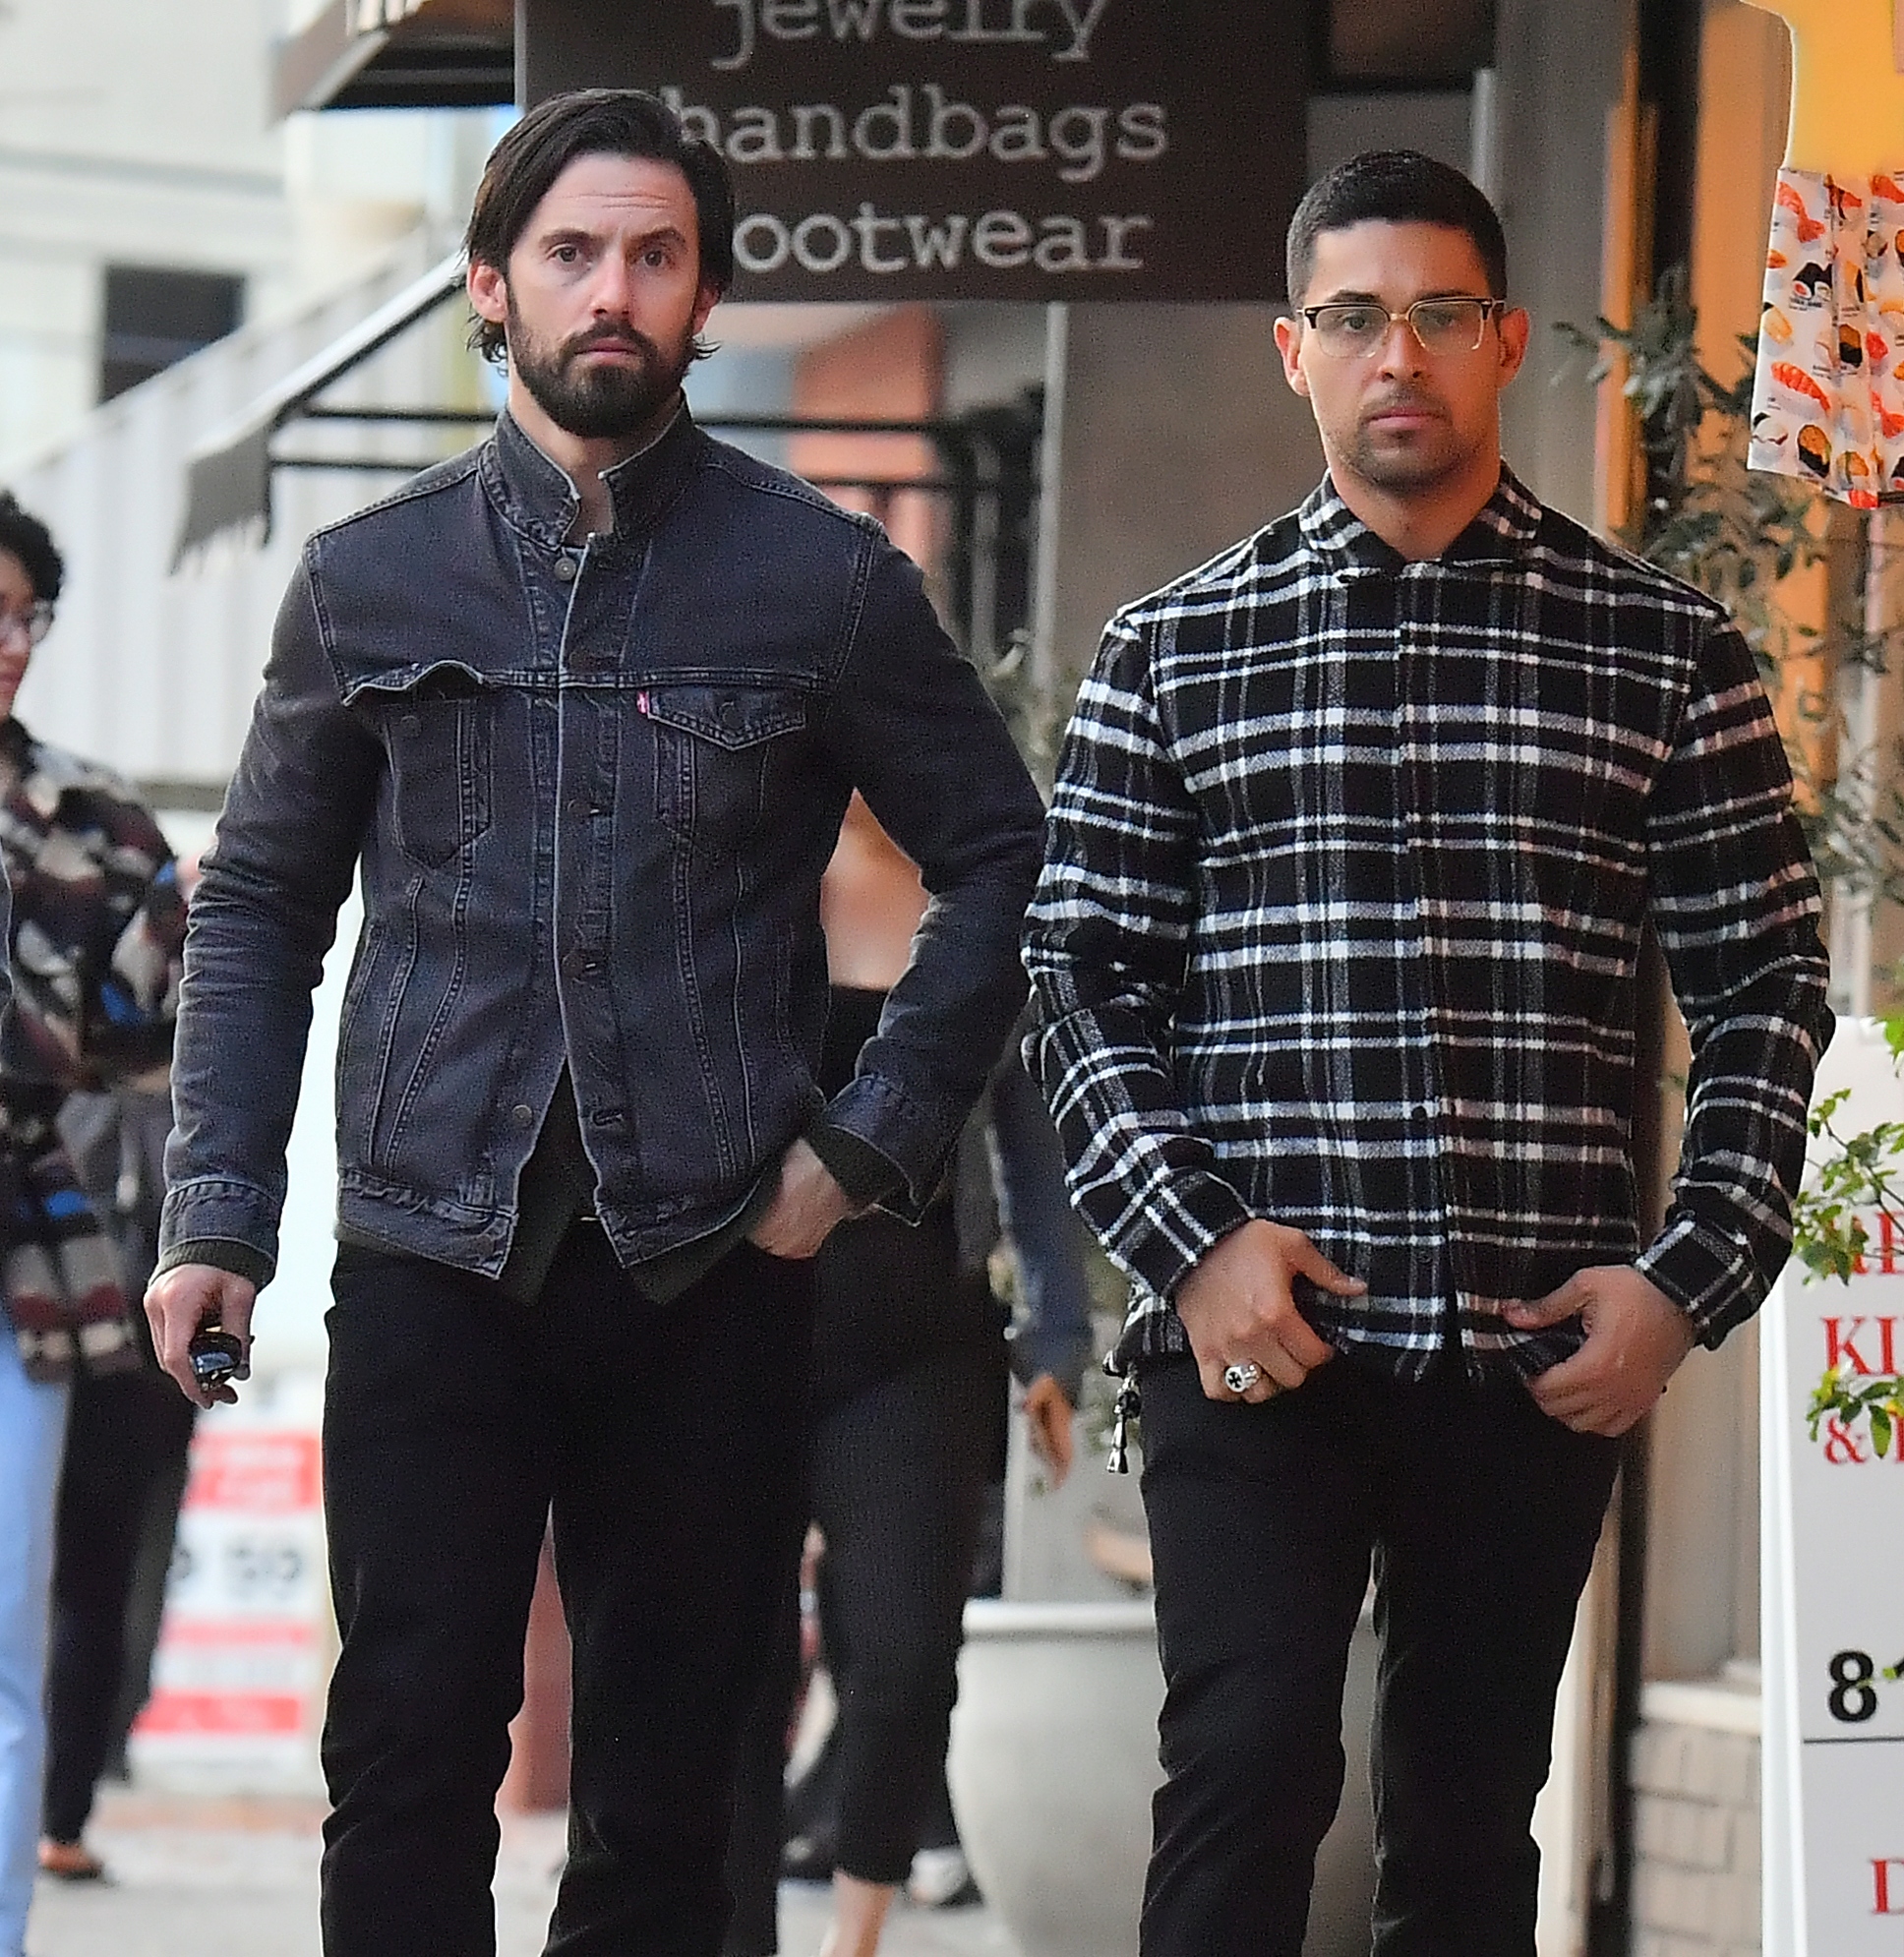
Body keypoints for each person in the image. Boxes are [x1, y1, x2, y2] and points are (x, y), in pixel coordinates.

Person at [143, 89, 1043, 1957]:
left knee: (674, 1781)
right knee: (403, 1754)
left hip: (713, 1254)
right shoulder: (366, 579)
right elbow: (254, 907)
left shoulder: (823, 582)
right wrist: (217, 1215)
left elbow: (1009, 863)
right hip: (425, 1243)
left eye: (653, 256)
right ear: (493, 285)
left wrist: (864, 1149)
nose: (611, 292)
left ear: (706, 297)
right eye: (571, 254)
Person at [1022, 150, 1834, 1957]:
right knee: (1239, 1775)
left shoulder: (1660, 651)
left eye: (1440, 315)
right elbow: (1079, 979)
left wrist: (1680, 1283)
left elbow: (1769, 983)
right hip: (1255, 1346)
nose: (1400, 353)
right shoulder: (1174, 651)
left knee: (1469, 1821)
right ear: (1290, 352)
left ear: (1508, 341)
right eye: (1355, 317)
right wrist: (1195, 1246)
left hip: (1528, 1350)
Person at [723, 799, 1092, 1957]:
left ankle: (857, 1939)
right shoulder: (749, 883)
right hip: (734, 1324)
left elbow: (1029, 1144)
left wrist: (1058, 1338)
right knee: (729, 1663)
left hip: (922, 1338)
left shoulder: (981, 905)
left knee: (903, 1658)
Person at [0, 492, 183, 1951]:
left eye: (23, 615)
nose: (6, 643)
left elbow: (174, 1035)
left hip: (33, 1258)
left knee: (7, 1644)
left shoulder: (98, 820)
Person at [40, 1081, 197, 1882]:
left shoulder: (68, 1100)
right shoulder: (184, 1102)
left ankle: (62, 1809)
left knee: (86, 1590)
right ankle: (62, 1814)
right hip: (131, 1378)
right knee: (102, 1589)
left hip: (101, 1369)